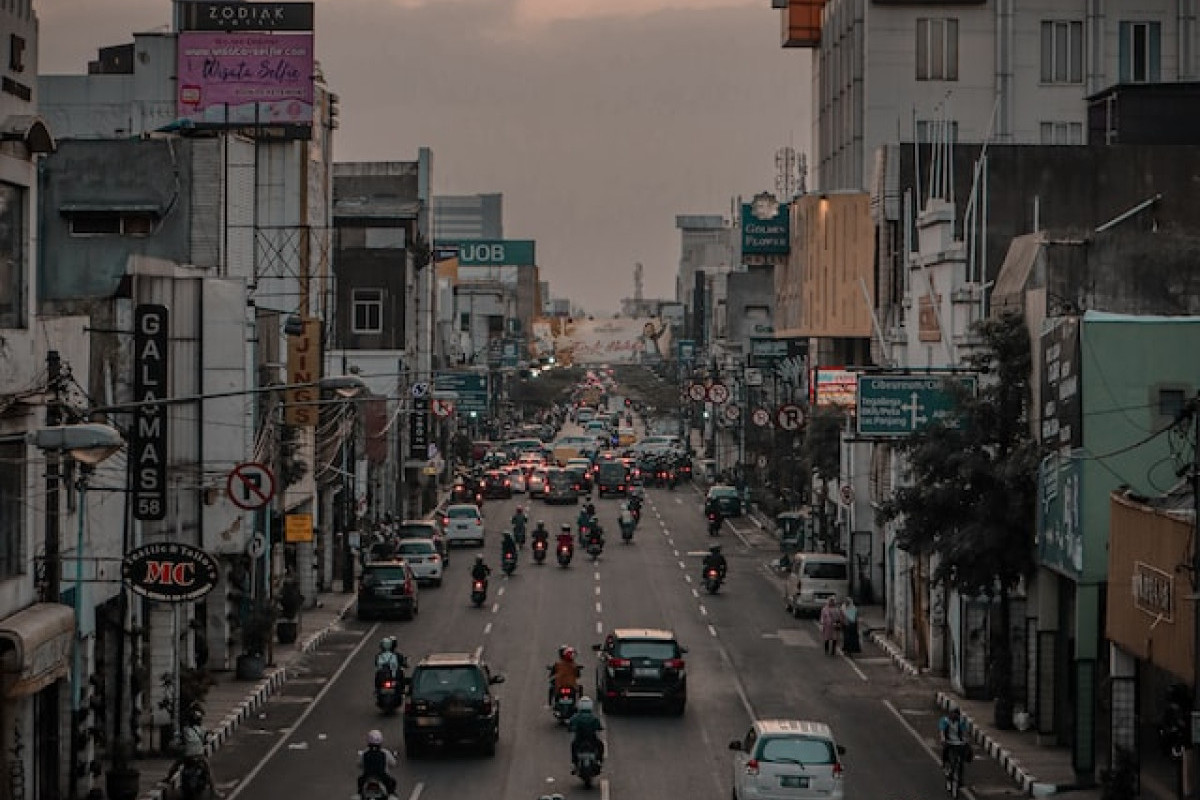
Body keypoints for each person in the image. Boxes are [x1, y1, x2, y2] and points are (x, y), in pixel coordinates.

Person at [166, 703, 216, 796]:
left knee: (176, 765)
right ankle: (214, 791)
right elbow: (207, 738)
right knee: (208, 770)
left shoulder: (185, 730)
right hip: (198, 756)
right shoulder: (201, 729)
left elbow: (180, 740)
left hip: (187, 756)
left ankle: (168, 778)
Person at [356, 729, 398, 797]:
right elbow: (393, 763)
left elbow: (358, 764)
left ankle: (360, 794)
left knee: (360, 782)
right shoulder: (385, 753)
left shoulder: (364, 753)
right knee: (392, 784)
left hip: (367, 776)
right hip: (382, 777)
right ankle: (391, 795)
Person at [568, 696, 605, 770]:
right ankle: (599, 760)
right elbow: (599, 727)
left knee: (573, 746)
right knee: (600, 745)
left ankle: (574, 762)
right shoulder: (594, 718)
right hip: (592, 740)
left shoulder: (576, 717)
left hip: (579, 739)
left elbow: (571, 726)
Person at [938, 707, 970, 774]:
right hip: (948, 741)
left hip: (959, 741)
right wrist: (943, 738)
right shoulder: (945, 720)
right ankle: (944, 763)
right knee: (945, 750)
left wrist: (965, 739)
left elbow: (964, 732)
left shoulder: (961, 721)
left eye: (956, 715)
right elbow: (942, 730)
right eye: (952, 714)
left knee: (966, 751)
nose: (953, 716)